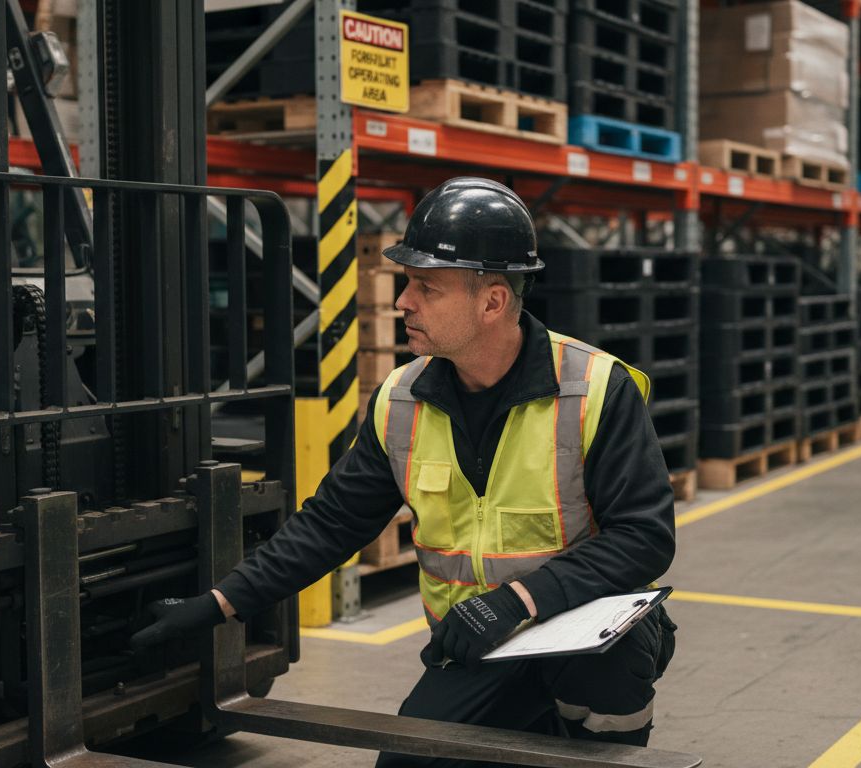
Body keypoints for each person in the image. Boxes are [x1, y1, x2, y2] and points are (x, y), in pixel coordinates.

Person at [131, 177, 678, 766]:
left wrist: (518, 599)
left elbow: (643, 536)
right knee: (406, 763)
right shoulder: (403, 398)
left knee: (608, 676)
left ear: (492, 302)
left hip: (582, 635)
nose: (403, 302)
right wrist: (219, 603)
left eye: (425, 286)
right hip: (479, 644)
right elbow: (332, 523)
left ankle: (603, 750)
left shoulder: (595, 388)